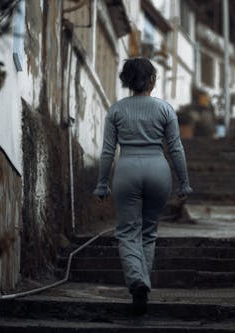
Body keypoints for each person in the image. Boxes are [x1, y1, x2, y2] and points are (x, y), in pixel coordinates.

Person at [93, 57, 192, 315]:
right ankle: (142, 284)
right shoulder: (165, 110)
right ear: (152, 80)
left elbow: (107, 152)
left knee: (127, 232)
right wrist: (184, 182)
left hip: (127, 170)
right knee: (148, 231)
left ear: (126, 81)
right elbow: (176, 148)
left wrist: (102, 183)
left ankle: (138, 282)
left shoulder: (116, 111)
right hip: (158, 170)